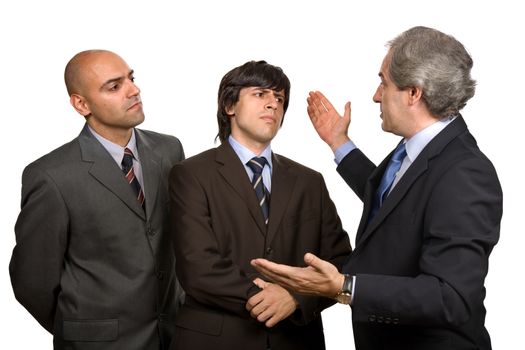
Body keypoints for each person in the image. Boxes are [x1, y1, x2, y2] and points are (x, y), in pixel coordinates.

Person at [252, 26, 503, 350]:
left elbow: (451, 297)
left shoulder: (466, 173)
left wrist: (345, 287)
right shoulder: (419, 150)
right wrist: (339, 143)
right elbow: (397, 203)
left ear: (414, 93)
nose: (375, 95)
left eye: (384, 82)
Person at [168, 60, 351, 350]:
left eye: (279, 98)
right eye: (260, 94)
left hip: (295, 339)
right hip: (216, 340)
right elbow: (197, 266)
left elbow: (340, 260)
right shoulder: (190, 174)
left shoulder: (309, 181)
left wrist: (294, 297)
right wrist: (267, 297)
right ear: (230, 106)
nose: (273, 104)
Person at [9, 49, 185, 350]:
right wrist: (80, 328)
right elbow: (32, 282)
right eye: (114, 86)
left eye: (131, 78)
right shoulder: (51, 176)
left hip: (175, 336)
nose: (133, 90)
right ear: (81, 104)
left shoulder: (169, 150)